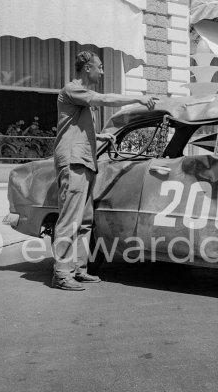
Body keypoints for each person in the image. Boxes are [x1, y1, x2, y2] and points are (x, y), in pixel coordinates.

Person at [52, 51, 157, 291]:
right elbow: (104, 99)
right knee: (70, 219)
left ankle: (78, 269)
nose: (102, 71)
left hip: (86, 160)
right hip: (73, 160)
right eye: (99, 67)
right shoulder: (72, 89)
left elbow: (72, 126)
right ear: (87, 67)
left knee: (85, 220)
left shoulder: (81, 98)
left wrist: (98, 135)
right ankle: (61, 273)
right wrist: (137, 99)